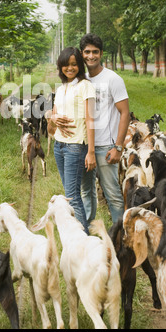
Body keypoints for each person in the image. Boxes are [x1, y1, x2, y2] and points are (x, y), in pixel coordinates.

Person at [79, 33, 130, 225]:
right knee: (87, 192)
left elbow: (124, 113)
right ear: (81, 53)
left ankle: (120, 237)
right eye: (87, 52)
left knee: (113, 194)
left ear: (101, 53)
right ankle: (87, 232)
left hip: (106, 147)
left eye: (95, 52)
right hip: (84, 145)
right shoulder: (80, 80)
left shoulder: (112, 79)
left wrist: (118, 147)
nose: (91, 56)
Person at [49, 47, 96, 234]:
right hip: (59, 146)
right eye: (66, 65)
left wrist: (91, 152)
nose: (70, 68)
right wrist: (52, 118)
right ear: (60, 67)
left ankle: (83, 241)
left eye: (74, 64)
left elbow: (90, 119)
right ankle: (79, 236)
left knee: (72, 197)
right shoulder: (61, 88)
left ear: (80, 66)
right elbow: (53, 114)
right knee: (71, 195)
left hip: (76, 147)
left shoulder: (85, 86)